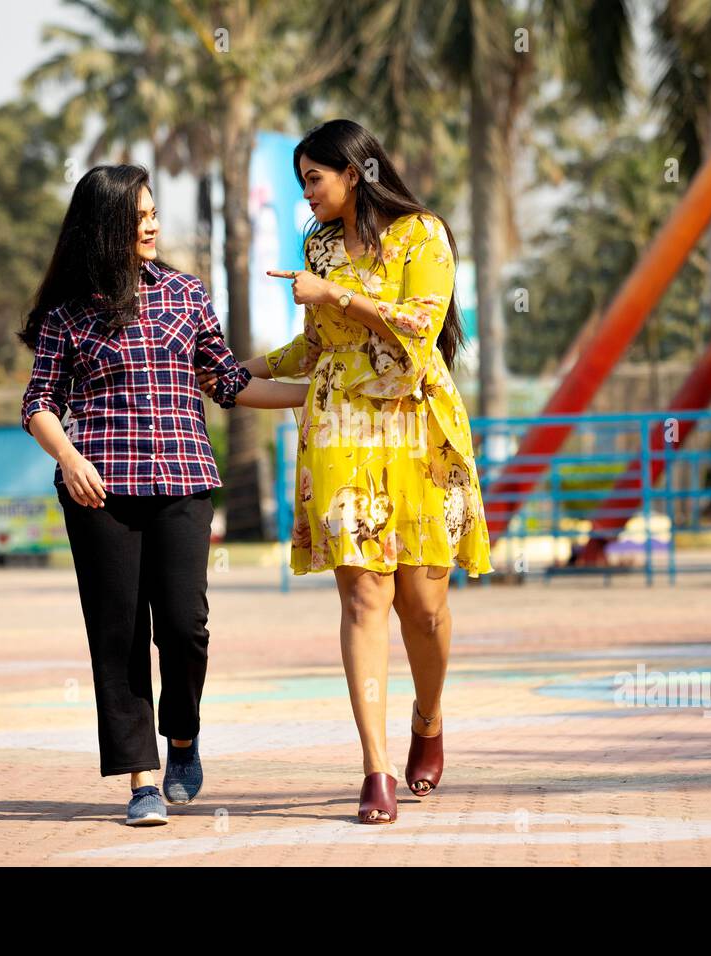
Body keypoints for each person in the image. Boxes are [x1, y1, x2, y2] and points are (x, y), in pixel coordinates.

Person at [198, 120, 494, 824]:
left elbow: (421, 326)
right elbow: (319, 343)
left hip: (419, 430)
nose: (306, 195)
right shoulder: (320, 246)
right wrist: (243, 367)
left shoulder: (424, 234)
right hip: (340, 435)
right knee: (363, 599)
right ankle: (377, 770)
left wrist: (335, 295)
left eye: (314, 179)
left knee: (423, 609)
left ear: (353, 173)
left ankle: (428, 719)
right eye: (301, 181)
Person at [19, 164, 307, 827]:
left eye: (153, 212)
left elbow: (229, 382)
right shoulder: (68, 315)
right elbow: (38, 404)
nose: (152, 224)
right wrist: (68, 459)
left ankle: (182, 735)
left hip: (183, 482)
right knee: (118, 636)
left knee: (185, 627)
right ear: (105, 226)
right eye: (138, 214)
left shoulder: (185, 293)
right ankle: (141, 780)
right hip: (99, 493)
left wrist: (316, 394)